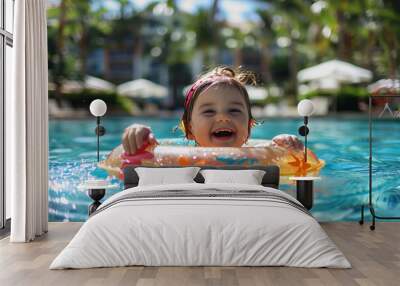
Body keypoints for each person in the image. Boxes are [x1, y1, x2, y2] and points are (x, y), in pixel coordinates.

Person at [122, 66, 303, 155]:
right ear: (189, 129)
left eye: (234, 110)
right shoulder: (176, 156)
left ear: (249, 125)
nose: (223, 117)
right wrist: (140, 138)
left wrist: (287, 148)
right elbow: (144, 159)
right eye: (209, 112)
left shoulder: (263, 155)